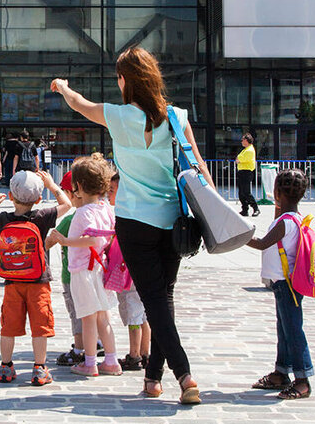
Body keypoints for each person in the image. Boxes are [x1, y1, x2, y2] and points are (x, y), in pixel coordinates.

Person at [50, 46, 214, 405]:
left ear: (125, 81)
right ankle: (153, 379)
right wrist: (216, 208)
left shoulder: (119, 116)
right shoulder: (176, 116)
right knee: (161, 298)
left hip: (134, 222)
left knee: (157, 299)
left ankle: (184, 374)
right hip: (174, 221)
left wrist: (62, 86)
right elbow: (201, 167)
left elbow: (79, 103)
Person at [0, 170, 72, 386]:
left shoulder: (3, 220)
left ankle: (6, 367)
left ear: (11, 196)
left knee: (8, 325)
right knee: (40, 325)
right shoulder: (42, 217)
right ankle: (39, 369)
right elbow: (67, 204)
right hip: (38, 280)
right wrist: (51, 185)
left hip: (12, 282)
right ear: (39, 199)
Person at [47, 154, 121, 377]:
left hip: (83, 271)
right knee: (103, 317)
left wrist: (65, 241)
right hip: (101, 268)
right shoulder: (106, 208)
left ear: (78, 186)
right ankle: (111, 360)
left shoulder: (82, 213)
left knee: (88, 318)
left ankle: (90, 363)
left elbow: (92, 239)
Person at [245, 169, 314, 400]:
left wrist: (237, 235)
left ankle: (302, 380)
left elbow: (263, 243)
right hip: (284, 283)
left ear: (276, 192)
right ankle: (281, 372)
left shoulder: (285, 223)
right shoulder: (293, 218)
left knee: (293, 330)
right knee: (284, 329)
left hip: (286, 285)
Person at [108, 172, 151, 371]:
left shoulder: (125, 215)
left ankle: (134, 355)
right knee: (142, 314)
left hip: (130, 273)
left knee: (134, 313)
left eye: (112, 191)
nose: (108, 194)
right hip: (138, 270)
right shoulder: (137, 212)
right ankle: (145, 352)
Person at [237, 133, 260, 217]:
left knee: (246, 192)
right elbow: (238, 158)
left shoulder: (250, 150)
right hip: (242, 172)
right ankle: (245, 209)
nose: (241, 141)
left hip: (246, 172)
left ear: (246, 140)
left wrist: (238, 159)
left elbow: (240, 159)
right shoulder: (245, 149)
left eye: (242, 140)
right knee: (241, 193)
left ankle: (256, 208)